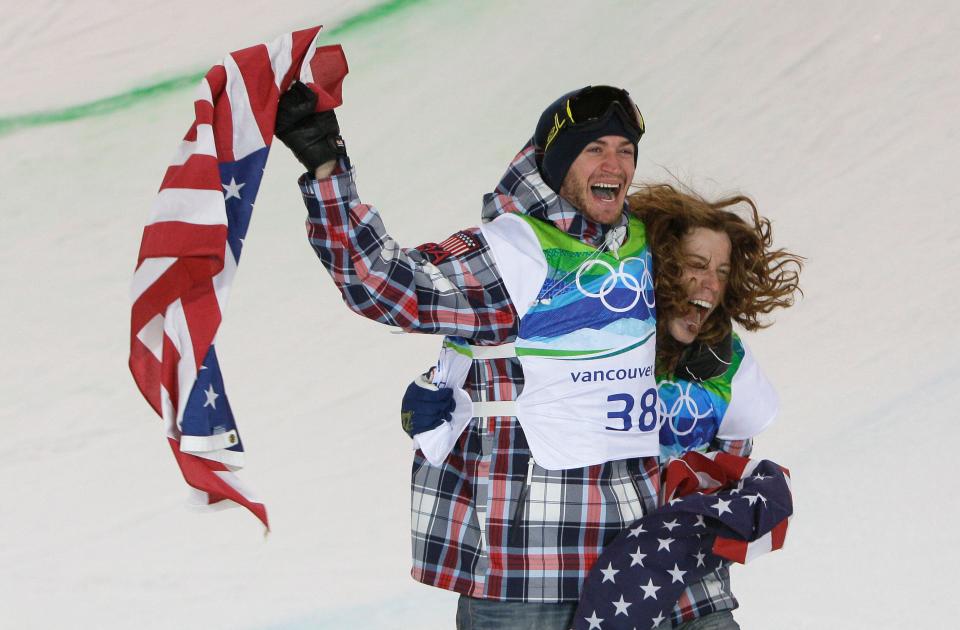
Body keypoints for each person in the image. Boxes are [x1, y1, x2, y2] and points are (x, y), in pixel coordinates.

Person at [275, 83, 690, 629]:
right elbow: (379, 281)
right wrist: (327, 166)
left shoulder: (644, 243)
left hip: (634, 565)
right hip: (529, 570)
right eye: (594, 149)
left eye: (626, 149)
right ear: (557, 161)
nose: (614, 163)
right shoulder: (511, 254)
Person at [403, 184, 803, 628]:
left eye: (723, 272)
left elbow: (728, 464)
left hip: (685, 591)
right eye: (695, 265)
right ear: (660, 266)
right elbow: (492, 385)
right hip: (563, 578)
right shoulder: (583, 330)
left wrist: (734, 499)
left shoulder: (726, 365)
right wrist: (433, 398)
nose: (710, 284)